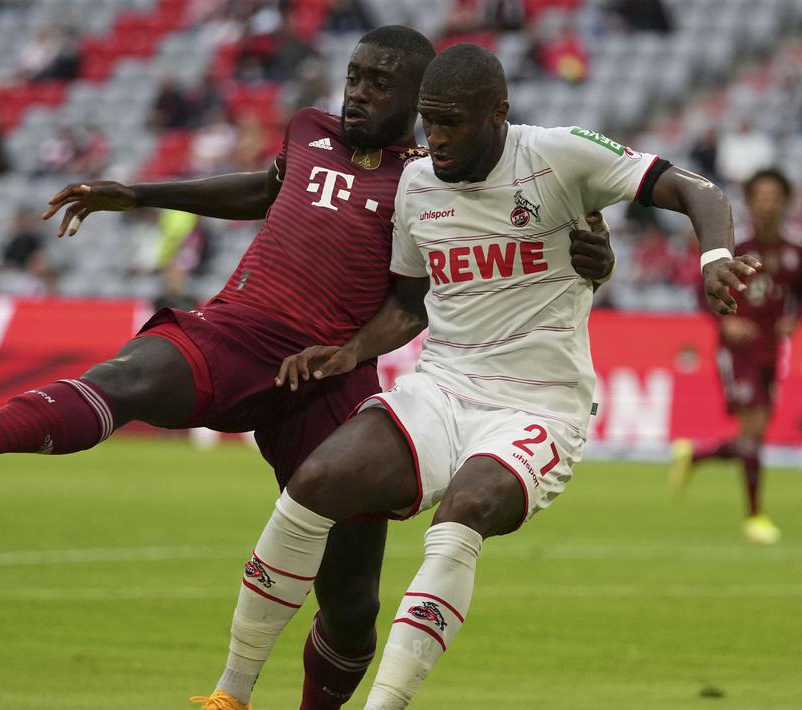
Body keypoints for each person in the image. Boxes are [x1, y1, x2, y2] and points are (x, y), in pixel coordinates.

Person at [0, 27, 614, 710]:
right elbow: (263, 187)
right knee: (127, 378)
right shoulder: (309, 131)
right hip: (238, 330)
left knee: (351, 605)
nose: (356, 91)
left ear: (419, 104)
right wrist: (135, 194)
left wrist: (593, 256)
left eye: (380, 83)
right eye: (354, 75)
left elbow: (448, 283)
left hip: (328, 380)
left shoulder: (431, 178)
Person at [200, 42, 756, 709]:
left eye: (450, 122)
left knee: (463, 510)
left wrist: (714, 255)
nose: (432, 138)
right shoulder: (417, 185)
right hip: (441, 387)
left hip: (538, 406)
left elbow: (694, 189)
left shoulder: (559, 153)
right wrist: (350, 350)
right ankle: (229, 695)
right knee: (314, 482)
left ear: (498, 113)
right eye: (427, 120)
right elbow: (407, 305)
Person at [670, 168, 802, 544]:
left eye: (774, 197)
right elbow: (702, 290)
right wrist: (723, 324)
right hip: (737, 351)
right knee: (751, 433)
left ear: (785, 202)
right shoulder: (733, 243)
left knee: (754, 438)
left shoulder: (797, 247)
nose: (767, 204)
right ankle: (755, 516)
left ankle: (696, 455)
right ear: (750, 202)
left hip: (770, 350)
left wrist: (794, 319)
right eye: (760, 197)